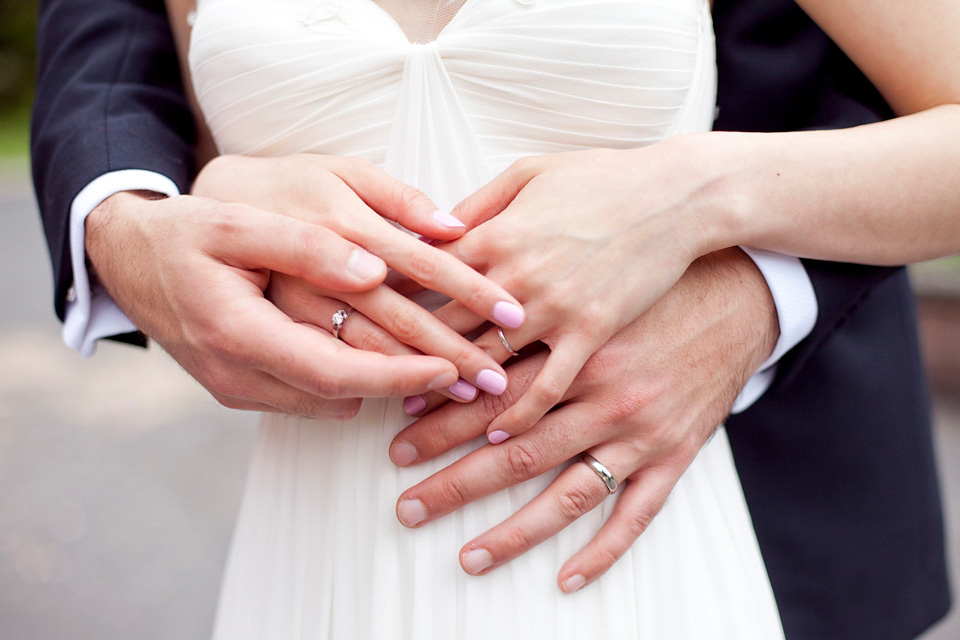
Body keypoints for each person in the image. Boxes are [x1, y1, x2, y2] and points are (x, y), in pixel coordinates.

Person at [29, 0, 955, 638]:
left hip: (674, 541)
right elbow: (188, 108)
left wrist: (702, 194)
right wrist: (199, 205)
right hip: (322, 553)